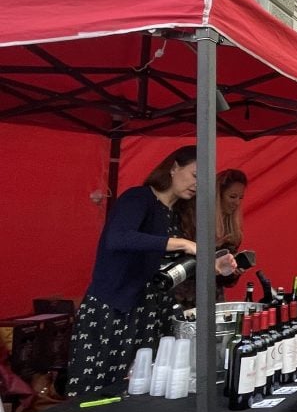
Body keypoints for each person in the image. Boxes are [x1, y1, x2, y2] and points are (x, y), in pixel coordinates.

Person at [66, 146, 235, 397]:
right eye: (195, 175)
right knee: (102, 391)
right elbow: (119, 238)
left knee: (142, 388)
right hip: (114, 309)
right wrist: (184, 243)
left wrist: (215, 268)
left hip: (150, 313)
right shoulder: (139, 198)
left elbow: (172, 269)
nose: (197, 185)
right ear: (174, 167)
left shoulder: (175, 214)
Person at [174, 167, 249, 305]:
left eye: (240, 198)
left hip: (211, 299)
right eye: (232, 196)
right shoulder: (191, 219)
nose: (237, 203)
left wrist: (233, 272)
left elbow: (223, 280)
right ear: (217, 195)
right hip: (181, 298)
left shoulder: (231, 231)